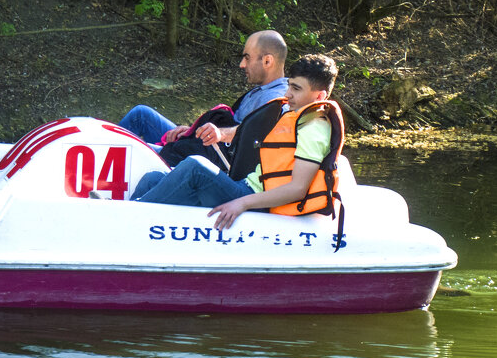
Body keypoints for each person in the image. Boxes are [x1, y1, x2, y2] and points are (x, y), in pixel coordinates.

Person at [128, 54, 343, 231]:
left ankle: (128, 219)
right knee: (152, 178)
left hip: (256, 200)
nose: (287, 95)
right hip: (247, 187)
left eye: (296, 89)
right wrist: (221, 134)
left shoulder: (315, 129)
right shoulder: (298, 118)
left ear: (319, 95)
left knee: (195, 167)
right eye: (289, 86)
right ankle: (129, 217)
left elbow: (297, 189)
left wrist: (241, 203)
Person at [118, 30, 290, 148]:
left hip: (205, 158)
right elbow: (230, 122)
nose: (241, 64)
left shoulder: (276, 99)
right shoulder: (263, 89)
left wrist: (219, 134)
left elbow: (258, 131)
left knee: (131, 151)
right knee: (140, 115)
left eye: (247, 58)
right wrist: (193, 130)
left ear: (268, 61)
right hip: (200, 145)